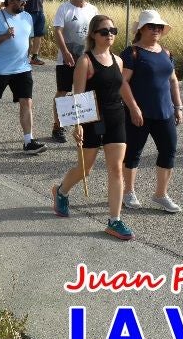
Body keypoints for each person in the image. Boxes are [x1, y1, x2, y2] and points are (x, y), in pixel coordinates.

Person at [51, 15, 142, 241]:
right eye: (104, 31)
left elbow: (121, 86)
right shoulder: (86, 61)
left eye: (113, 30)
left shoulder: (118, 61)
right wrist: (77, 125)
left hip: (115, 118)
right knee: (85, 169)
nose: (109, 34)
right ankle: (60, 191)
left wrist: (133, 107)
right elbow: (79, 96)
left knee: (116, 169)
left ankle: (114, 220)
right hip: (92, 119)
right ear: (93, 34)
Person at [120, 10, 183, 213]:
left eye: (159, 27)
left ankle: (161, 194)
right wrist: (133, 108)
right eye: (151, 26)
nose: (156, 30)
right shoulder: (132, 53)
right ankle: (128, 192)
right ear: (141, 29)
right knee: (132, 154)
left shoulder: (166, 53)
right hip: (139, 113)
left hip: (165, 112)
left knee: (168, 151)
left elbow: (173, 81)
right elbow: (123, 83)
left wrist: (178, 106)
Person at [0, 0, 46, 153]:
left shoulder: (27, 17)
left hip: (22, 68)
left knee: (26, 102)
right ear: (10, 1)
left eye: (23, 0)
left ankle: (28, 141)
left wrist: (29, 55)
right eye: (20, 0)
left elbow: (28, 40)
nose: (24, 3)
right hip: (0, 70)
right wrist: (4, 37)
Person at [50, 0, 99, 143]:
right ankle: (58, 126)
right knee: (63, 91)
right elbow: (58, 31)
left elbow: (96, 33)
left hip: (86, 59)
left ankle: (87, 129)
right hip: (66, 59)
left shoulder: (93, 10)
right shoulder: (64, 8)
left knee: (87, 93)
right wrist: (64, 52)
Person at [19, 0, 47, 65]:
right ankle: (23, 57)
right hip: (28, 12)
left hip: (40, 12)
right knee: (27, 36)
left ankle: (34, 57)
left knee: (38, 35)